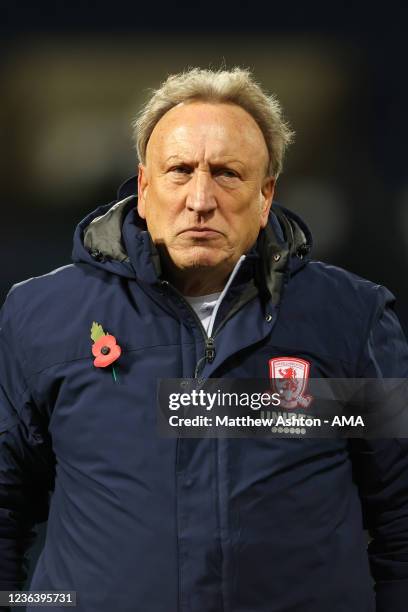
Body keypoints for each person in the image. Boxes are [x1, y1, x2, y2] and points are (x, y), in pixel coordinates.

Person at [0, 67, 407, 612]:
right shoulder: (42, 316)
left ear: (266, 198)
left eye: (227, 174)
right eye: (180, 170)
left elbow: (401, 515)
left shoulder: (351, 318)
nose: (200, 198)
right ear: (144, 189)